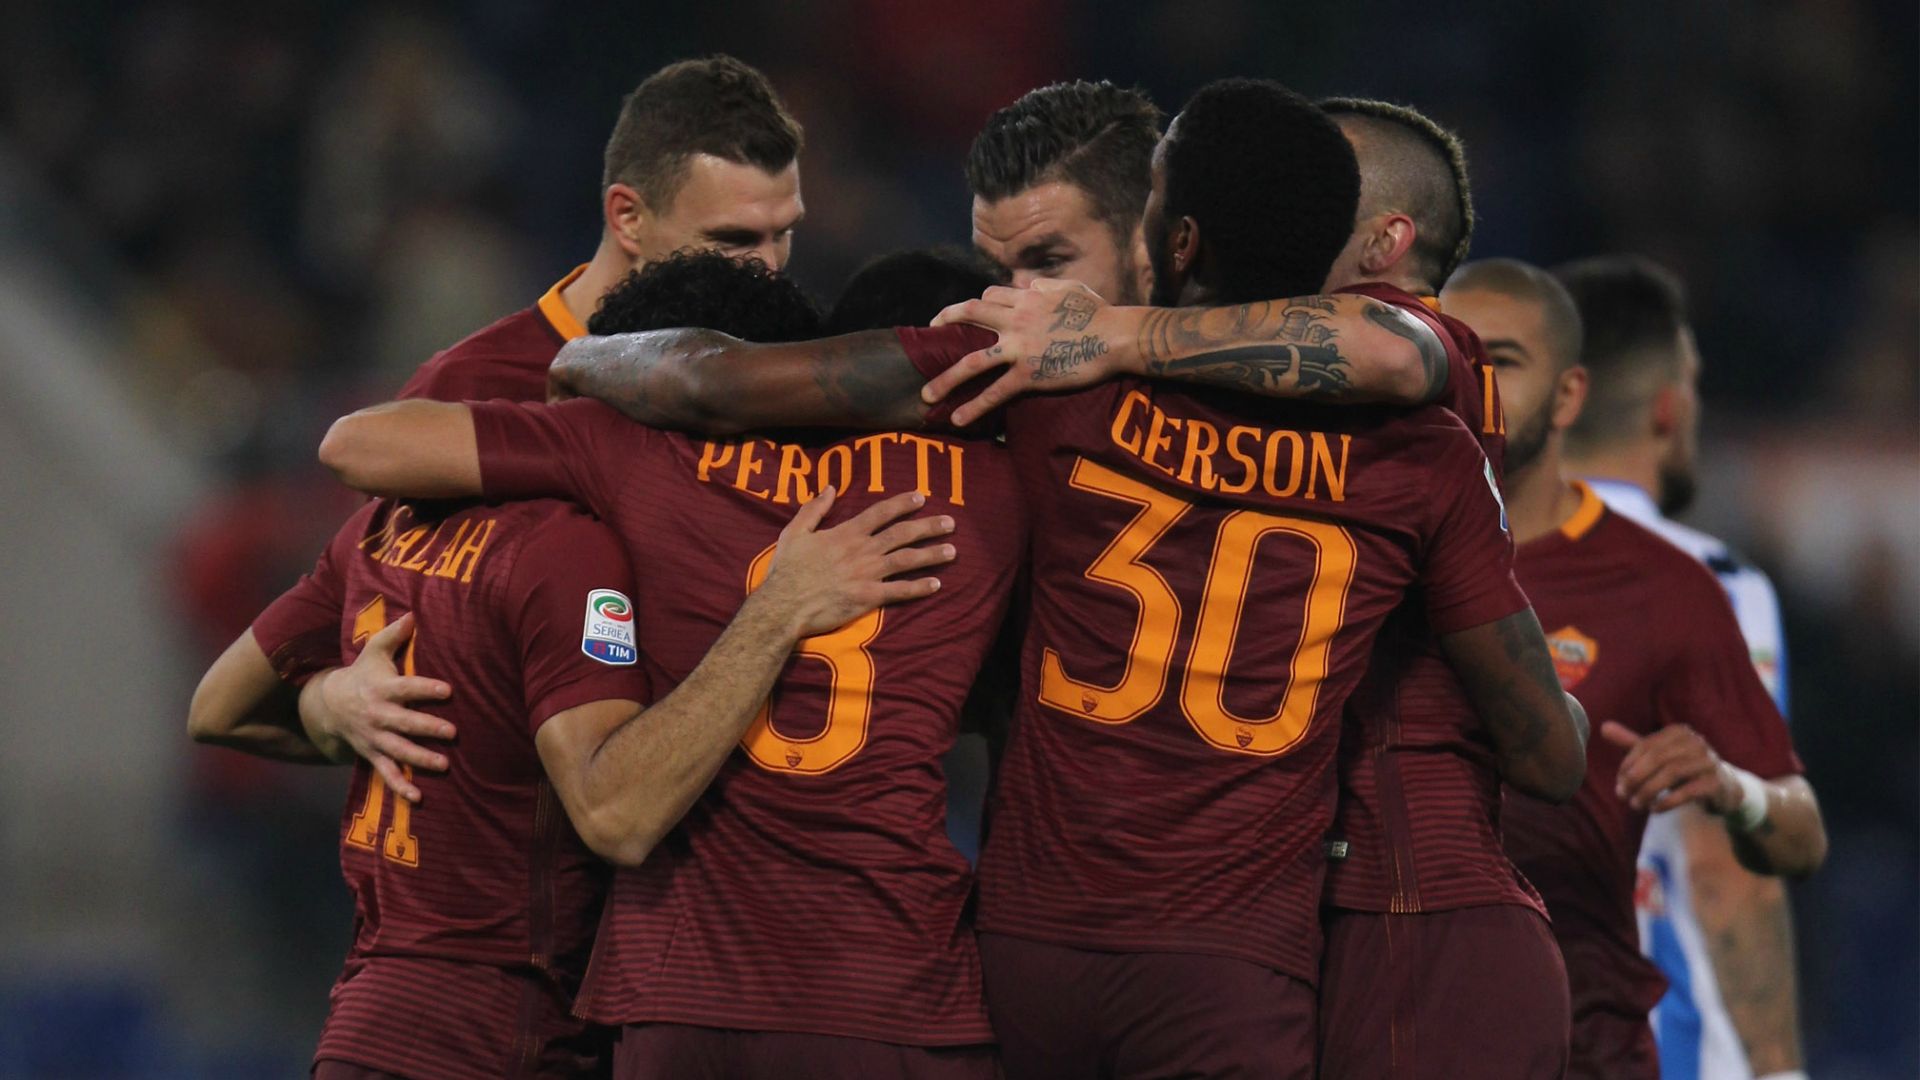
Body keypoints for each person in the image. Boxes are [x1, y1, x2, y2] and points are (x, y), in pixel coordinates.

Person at [535, 78, 1586, 1080]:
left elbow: (710, 386)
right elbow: (1546, 745)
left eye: (1047, 259)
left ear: (1163, 238)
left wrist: (583, 352)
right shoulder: (1414, 449)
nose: (1017, 295)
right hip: (1240, 948)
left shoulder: (1038, 390)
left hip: (1150, 937)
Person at [926, 98, 1569, 1077]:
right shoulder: (1234, 404)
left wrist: (1118, 335)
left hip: (1405, 914)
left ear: (1385, 245)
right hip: (1275, 924)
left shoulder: (1414, 362)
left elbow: (1392, 351)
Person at [187, 260, 948, 1080]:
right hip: (499, 1030)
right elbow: (615, 813)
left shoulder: (383, 527)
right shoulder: (570, 554)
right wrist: (778, 609)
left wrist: (328, 705)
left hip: (371, 1014)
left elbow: (217, 710)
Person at [189, 55, 811, 802]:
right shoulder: (470, 393)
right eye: (737, 240)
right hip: (536, 877)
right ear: (628, 217)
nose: (770, 270)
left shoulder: (777, 380)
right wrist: (330, 706)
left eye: (784, 235)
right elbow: (345, 645)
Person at [1439, 258, 1827, 1080]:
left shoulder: (1672, 585)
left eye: (1500, 364)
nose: (1470, 392)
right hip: (1402, 1030)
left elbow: (1771, 845)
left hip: (1603, 1040)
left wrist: (1732, 788)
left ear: (1571, 395)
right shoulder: (1367, 556)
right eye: (1449, 358)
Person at [1556, 254, 1809, 1080]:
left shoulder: (1461, 561)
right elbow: (1725, 862)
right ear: (1670, 406)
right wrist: (1779, 1071)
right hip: (1662, 1039)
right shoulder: (1712, 585)